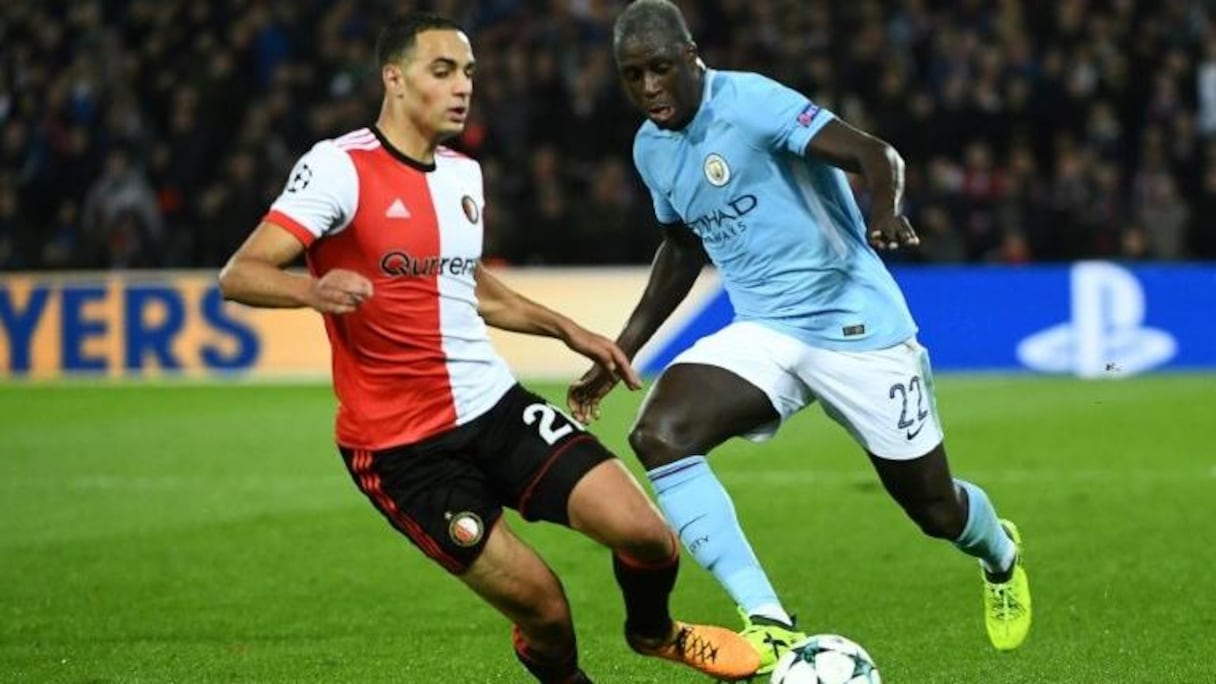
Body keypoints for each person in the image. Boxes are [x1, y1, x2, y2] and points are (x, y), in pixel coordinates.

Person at [217, 12, 760, 683]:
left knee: (648, 536)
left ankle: (654, 632)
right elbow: (240, 274)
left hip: (495, 408)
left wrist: (569, 330)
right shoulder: (339, 168)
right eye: (443, 71)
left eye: (469, 73)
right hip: (405, 451)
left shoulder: (462, 176)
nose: (463, 87)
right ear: (394, 78)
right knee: (548, 614)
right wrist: (311, 290)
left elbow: (470, 286)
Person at [569, 0, 1033, 674]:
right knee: (660, 434)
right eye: (632, 75)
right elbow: (682, 247)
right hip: (765, 330)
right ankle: (769, 621)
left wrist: (884, 211)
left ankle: (1001, 554)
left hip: (855, 325)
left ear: (692, 56)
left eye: (660, 68)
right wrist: (623, 349)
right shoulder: (651, 148)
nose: (649, 87)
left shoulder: (751, 103)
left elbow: (874, 153)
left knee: (935, 509)